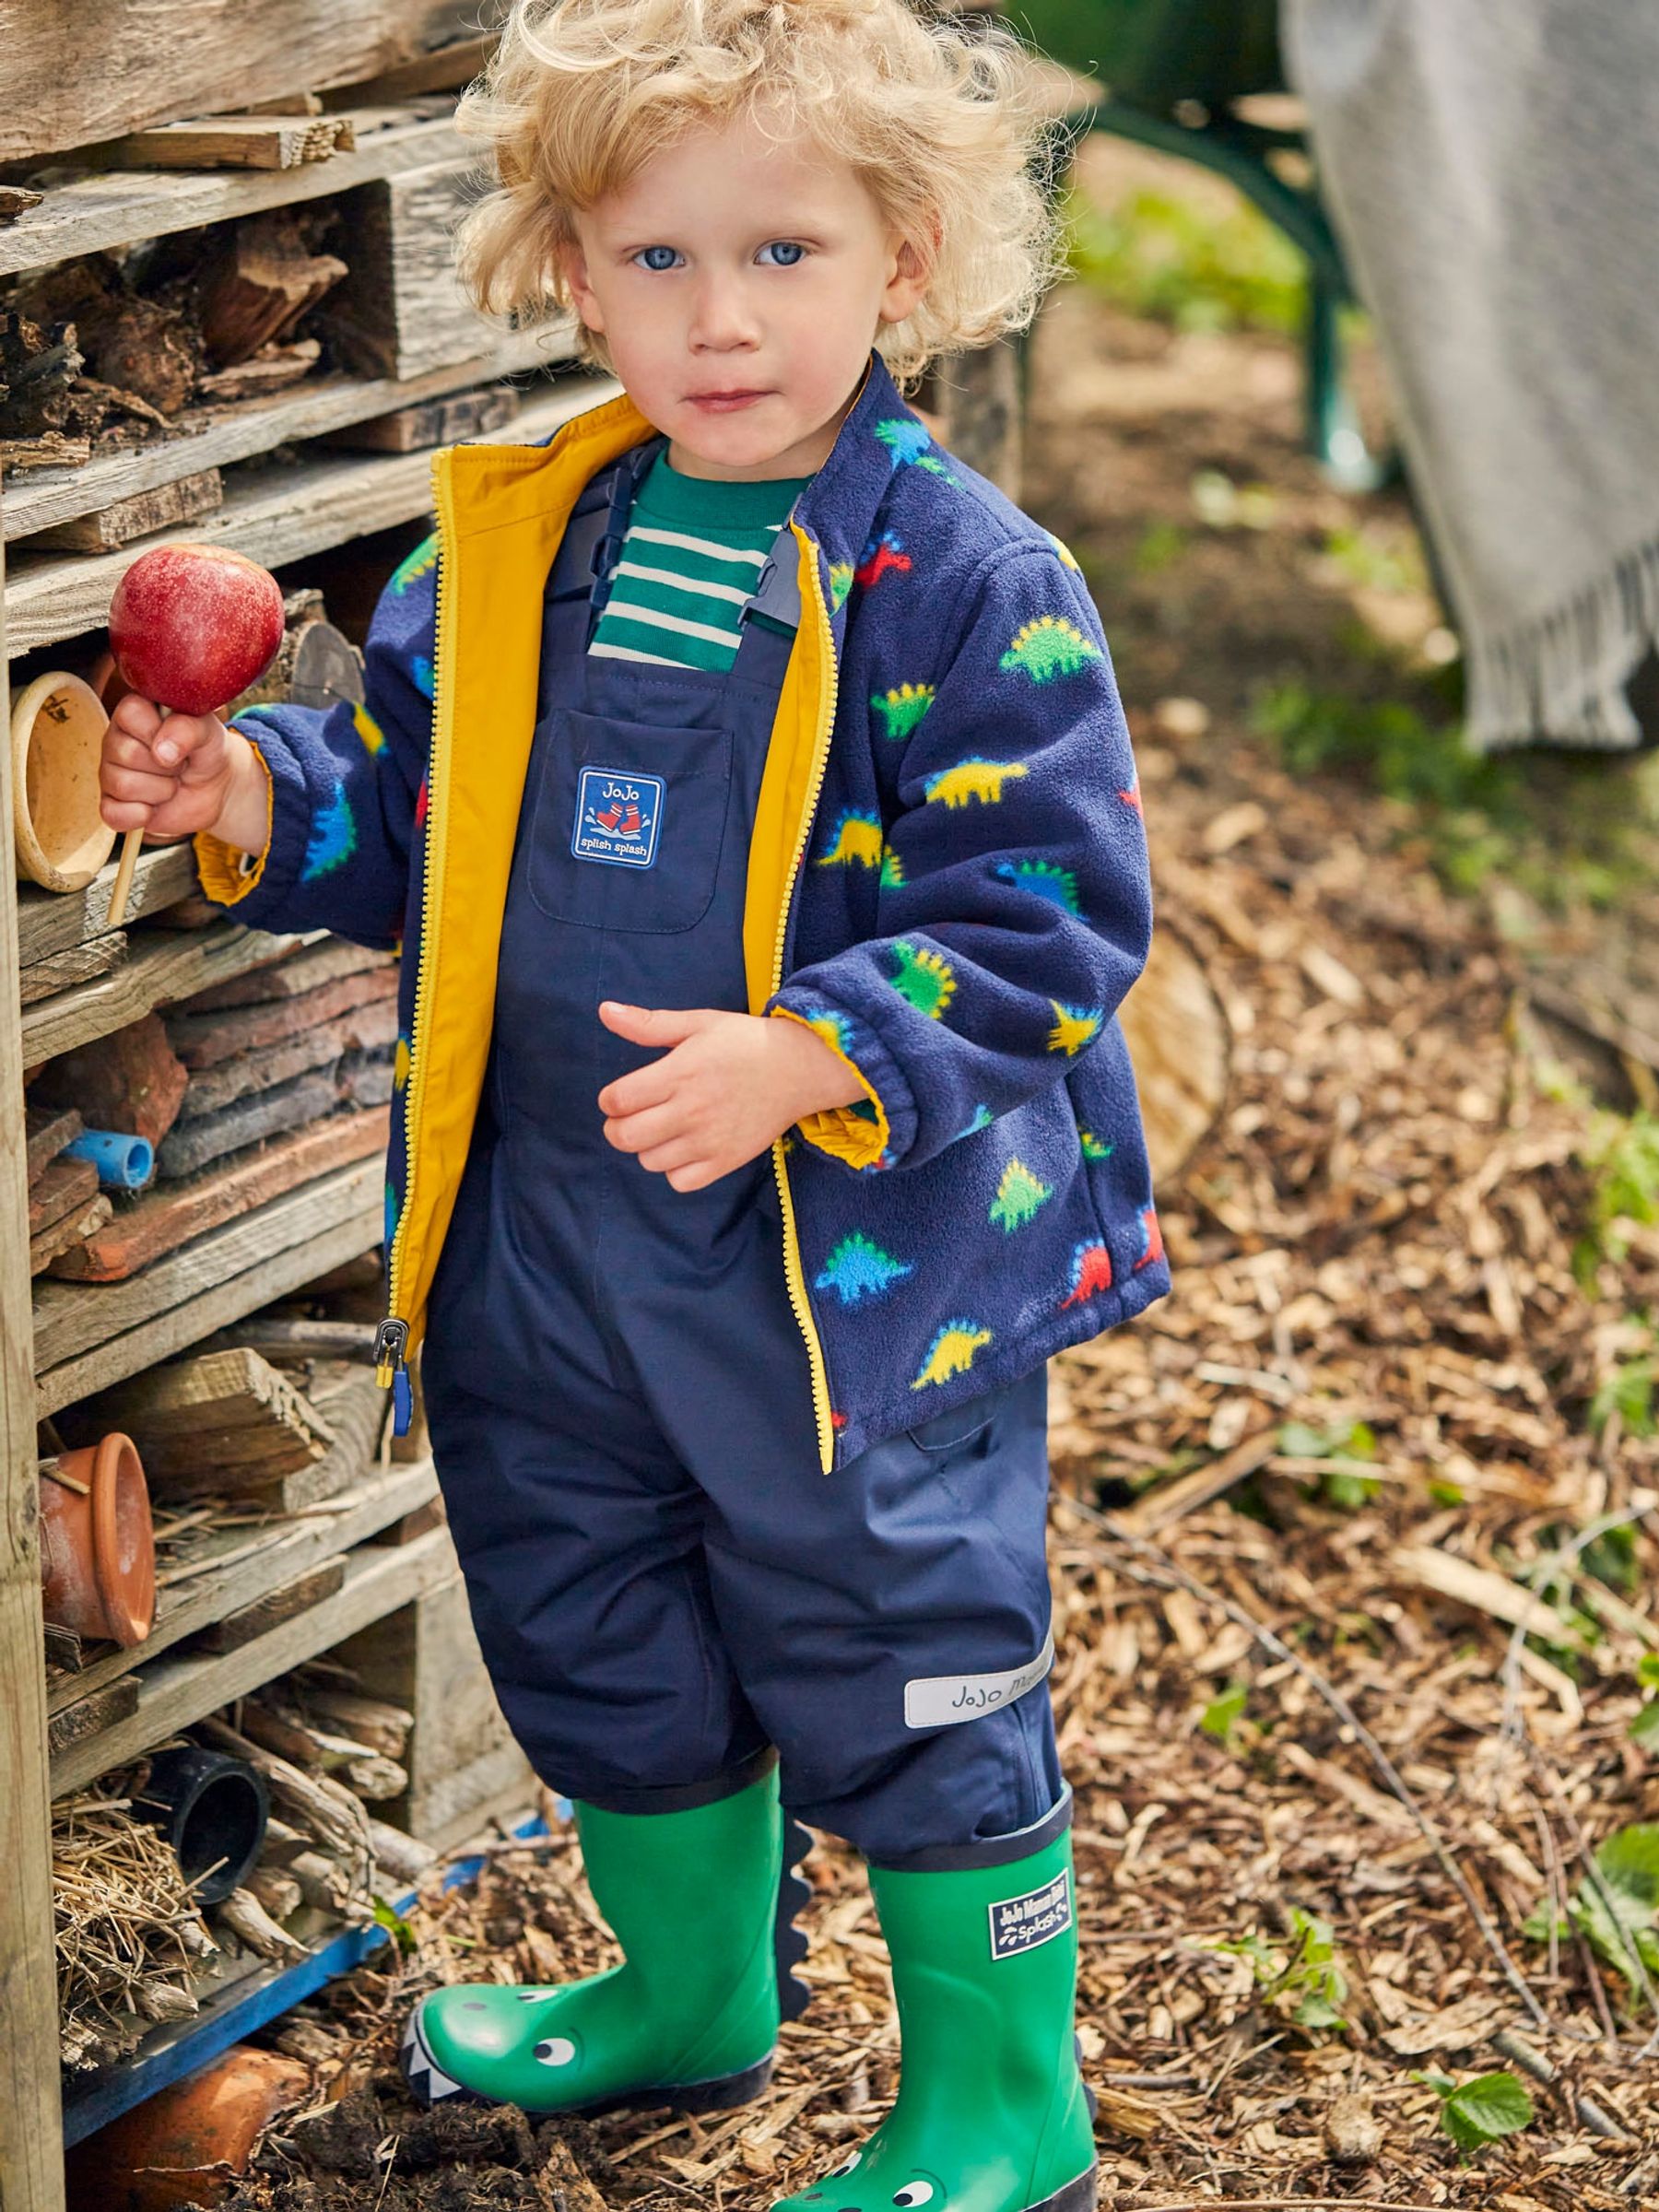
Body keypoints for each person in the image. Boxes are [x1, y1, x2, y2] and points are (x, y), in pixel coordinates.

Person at [100, 4, 1168, 2205]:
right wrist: (245, 798)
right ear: (574, 272)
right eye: (659, 258)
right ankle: (690, 1994)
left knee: (901, 1642)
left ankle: (1003, 2105)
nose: (719, 318)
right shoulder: (525, 546)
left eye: (783, 252)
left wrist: (821, 1048)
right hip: (554, 1239)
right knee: (588, 1612)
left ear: (907, 255)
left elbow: (1053, 913)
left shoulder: (968, 585)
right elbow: (415, 808)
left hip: (846, 1281)